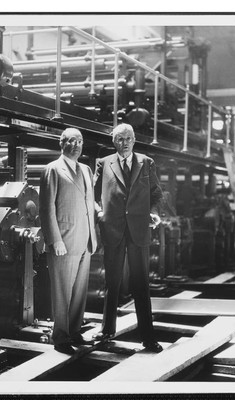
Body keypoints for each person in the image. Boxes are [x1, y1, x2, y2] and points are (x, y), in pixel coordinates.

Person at [93, 123, 164, 353]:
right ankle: (106, 331)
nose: (125, 143)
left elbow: (156, 193)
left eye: (128, 138)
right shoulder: (103, 163)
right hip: (112, 228)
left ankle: (148, 336)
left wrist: (153, 212)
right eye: (120, 139)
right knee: (112, 281)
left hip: (138, 229)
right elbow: (93, 195)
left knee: (141, 283)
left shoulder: (146, 162)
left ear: (134, 140)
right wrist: (99, 212)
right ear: (113, 141)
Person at [39, 128, 97, 355]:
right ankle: (60, 336)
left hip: (85, 238)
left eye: (79, 141)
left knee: (80, 291)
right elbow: (46, 208)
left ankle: (74, 331)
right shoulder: (53, 169)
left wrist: (94, 232)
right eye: (71, 141)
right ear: (61, 144)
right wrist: (55, 240)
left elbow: (88, 202)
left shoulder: (85, 169)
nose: (76, 145)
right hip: (63, 241)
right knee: (62, 290)